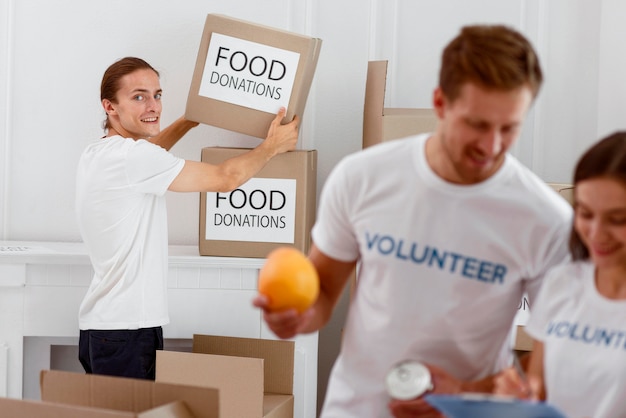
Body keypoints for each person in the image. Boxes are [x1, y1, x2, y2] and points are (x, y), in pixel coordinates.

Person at [253, 25, 573, 417]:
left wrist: (462, 392)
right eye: (476, 124)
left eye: (509, 128)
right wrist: (295, 319)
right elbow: (321, 295)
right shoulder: (362, 177)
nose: (491, 146)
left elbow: (548, 372)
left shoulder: (547, 219)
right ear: (440, 103)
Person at [76, 56, 298, 380]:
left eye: (158, 95)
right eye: (139, 96)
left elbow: (149, 155)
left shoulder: (98, 153)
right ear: (110, 107)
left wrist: (188, 121)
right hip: (128, 330)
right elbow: (226, 178)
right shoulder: (133, 158)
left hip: (101, 328)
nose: (153, 105)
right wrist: (271, 146)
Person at [494, 132, 626, 418]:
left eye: (618, 220)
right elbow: (538, 389)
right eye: (586, 213)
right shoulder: (563, 283)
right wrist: (516, 393)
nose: (596, 233)